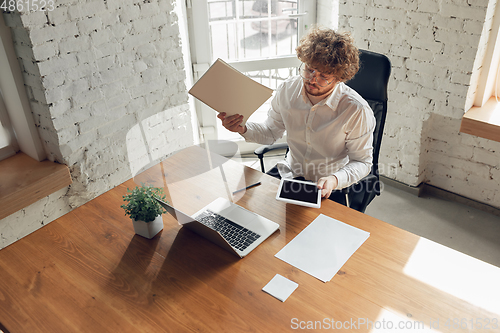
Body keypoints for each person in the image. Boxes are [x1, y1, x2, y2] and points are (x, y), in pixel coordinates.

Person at [218, 26, 375, 204]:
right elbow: (271, 132)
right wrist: (243, 128)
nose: (312, 79)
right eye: (309, 69)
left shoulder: (356, 110)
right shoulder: (287, 90)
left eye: (323, 76)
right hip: (290, 174)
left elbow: (362, 162)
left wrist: (335, 179)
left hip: (329, 186)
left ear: (339, 78)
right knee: (243, 206)